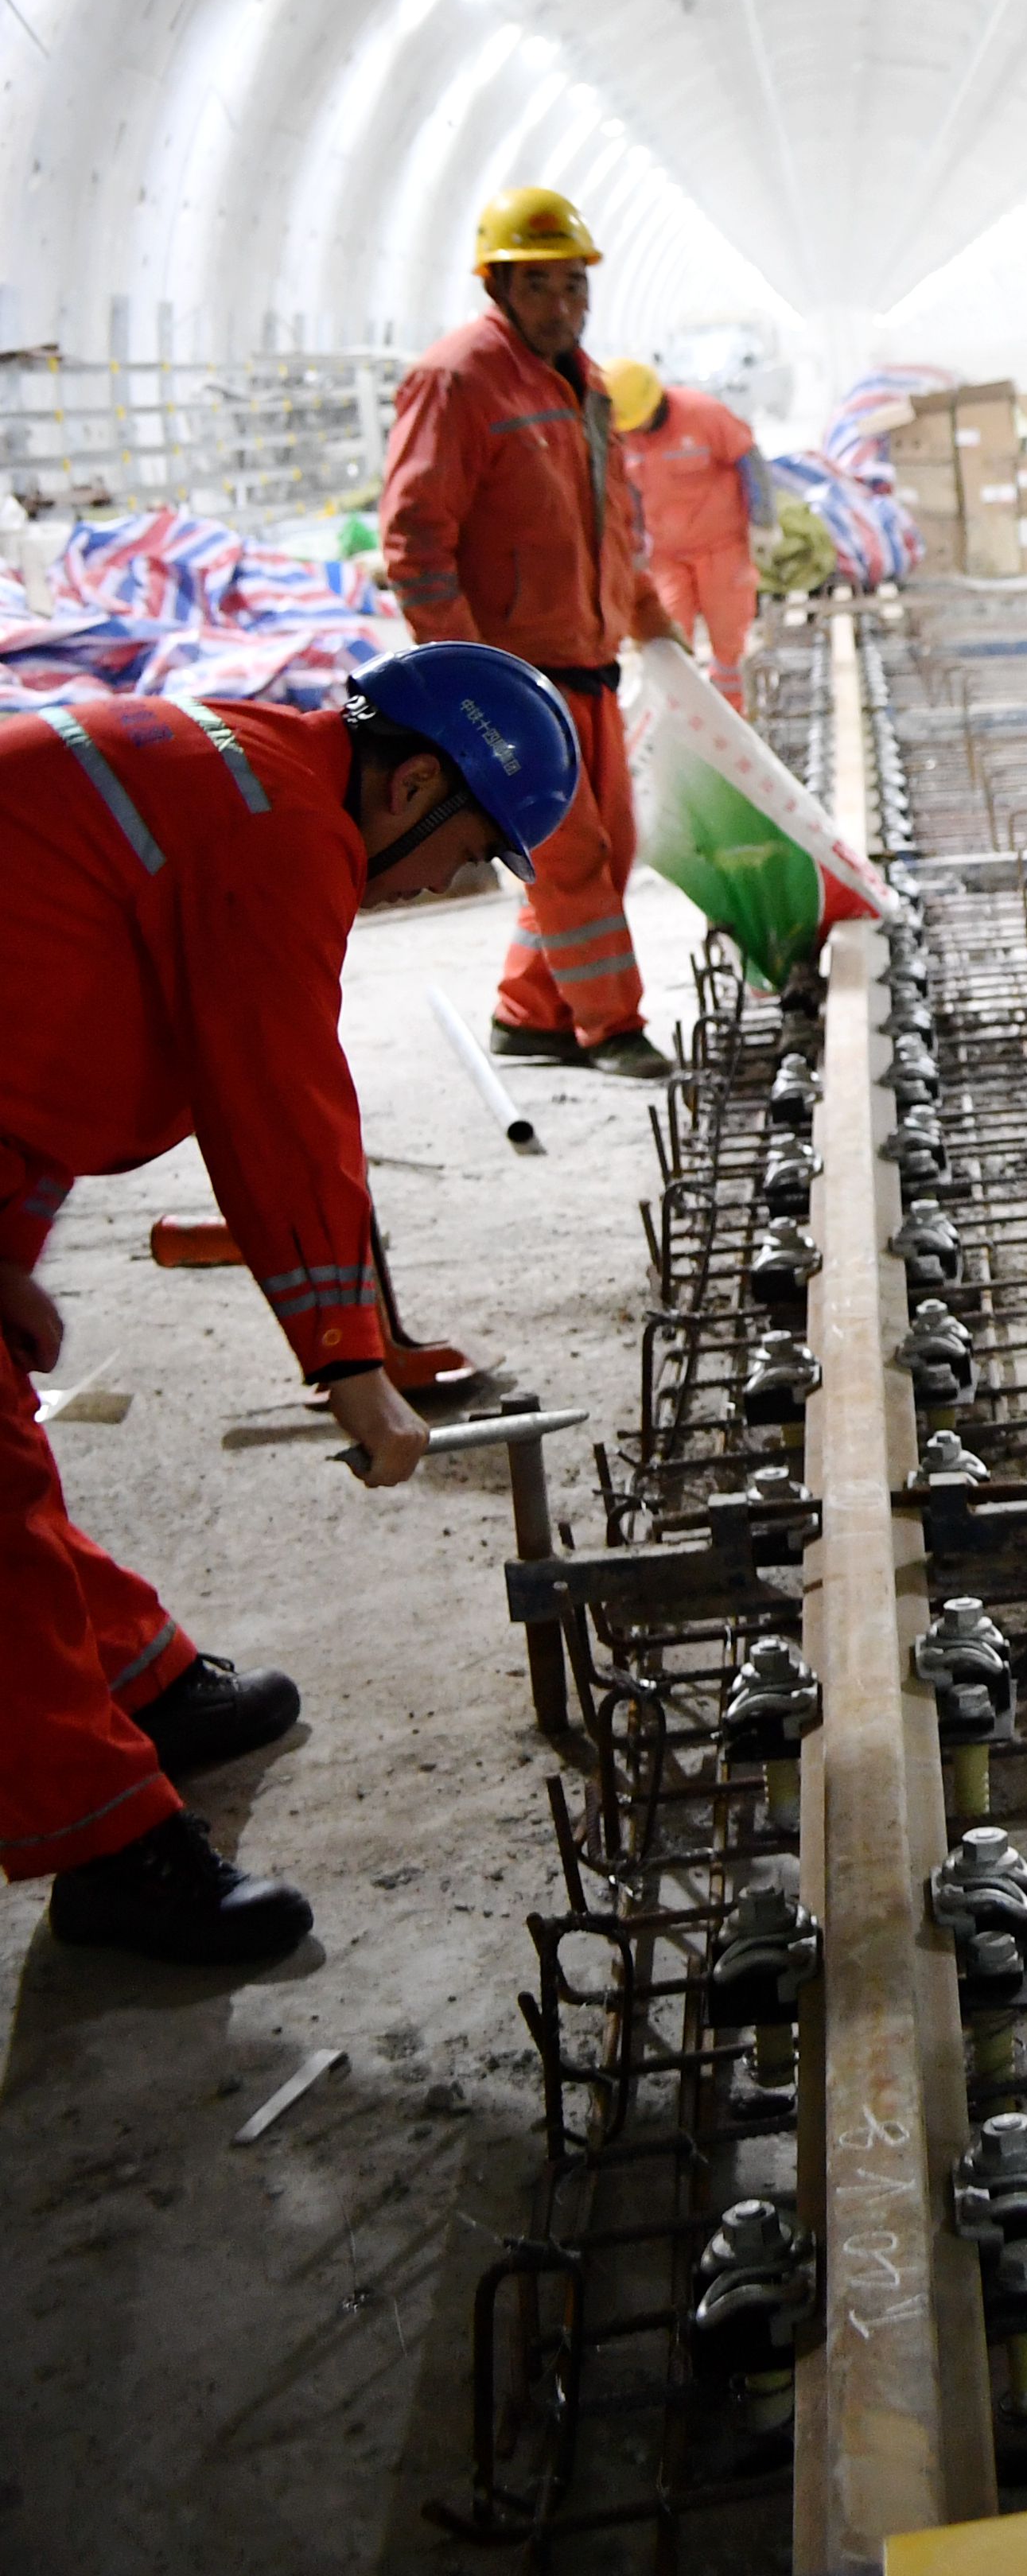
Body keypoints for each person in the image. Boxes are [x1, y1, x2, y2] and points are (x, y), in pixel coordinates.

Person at [2, 644, 583, 1964]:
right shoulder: (279, 829)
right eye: (467, 850)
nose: (445, 884)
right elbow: (273, 1095)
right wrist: (349, 1363)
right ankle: (106, 1849)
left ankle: (135, 1675)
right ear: (414, 780)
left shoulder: (260, 774)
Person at [379, 185, 680, 1079]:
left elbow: (610, 527)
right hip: (514, 676)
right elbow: (416, 541)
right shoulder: (458, 379)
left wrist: (654, 624)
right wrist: (466, 677)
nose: (562, 305)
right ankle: (611, 1027)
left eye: (574, 286)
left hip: (586, 663)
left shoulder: (585, 386)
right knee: (572, 851)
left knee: (607, 846)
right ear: (499, 285)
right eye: (541, 286)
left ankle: (529, 1014)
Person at [609, 357, 774, 701]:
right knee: (666, 643)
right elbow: (629, 495)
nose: (636, 432)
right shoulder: (623, 434)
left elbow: (750, 460)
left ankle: (734, 725)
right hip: (667, 557)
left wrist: (763, 522)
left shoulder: (703, 414)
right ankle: (681, 721)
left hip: (722, 550)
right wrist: (634, 551)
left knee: (729, 643)